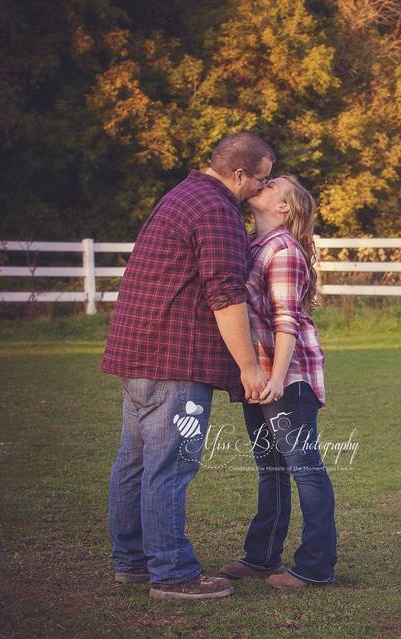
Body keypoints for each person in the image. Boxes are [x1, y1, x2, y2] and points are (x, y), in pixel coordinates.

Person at [101, 133, 274, 600]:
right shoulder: (216, 210)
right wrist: (249, 367)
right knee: (170, 466)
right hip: (174, 359)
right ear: (239, 174)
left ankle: (133, 561)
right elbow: (225, 294)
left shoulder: (183, 195)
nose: (261, 190)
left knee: (134, 463)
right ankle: (173, 573)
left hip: (140, 352)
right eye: (261, 180)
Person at [219, 175, 338, 589]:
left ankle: (315, 567)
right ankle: (262, 557)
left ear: (284, 207)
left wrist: (276, 379)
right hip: (263, 373)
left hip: (287, 377)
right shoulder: (256, 244)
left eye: (272, 185)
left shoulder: (283, 250)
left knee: (305, 469)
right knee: (270, 467)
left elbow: (287, 322)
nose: (262, 185)